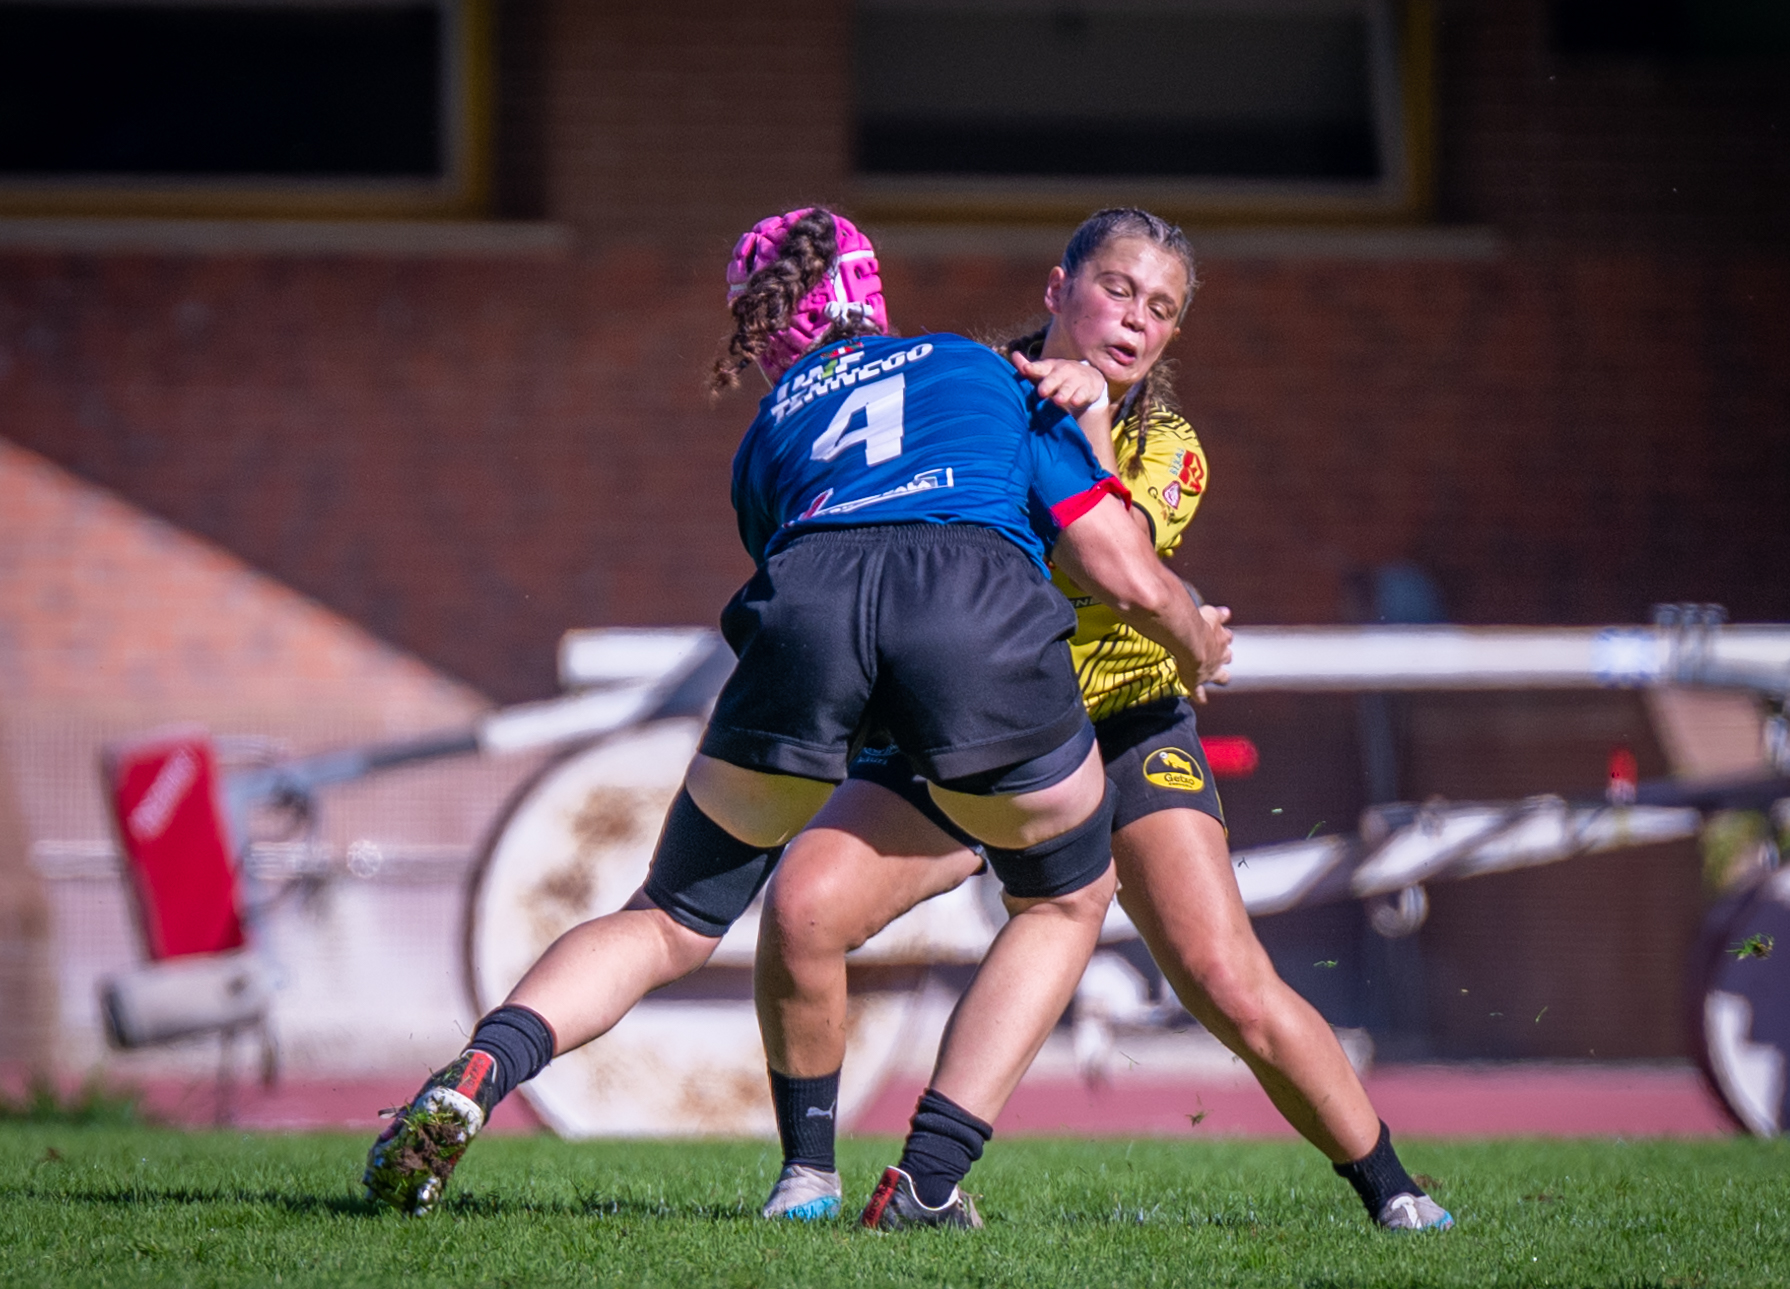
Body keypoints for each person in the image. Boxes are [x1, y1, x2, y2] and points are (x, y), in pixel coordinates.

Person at [360, 206, 1232, 1219]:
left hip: (806, 617)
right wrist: (1193, 636)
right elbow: (1117, 562)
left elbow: (799, 560)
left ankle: (485, 1071)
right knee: (1067, 893)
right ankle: (927, 1178)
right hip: (968, 613)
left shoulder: (773, 425)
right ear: (873, 292)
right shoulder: (978, 368)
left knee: (668, 916)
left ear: (765, 326)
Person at [753, 208, 1453, 1232]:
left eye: (1161, 309)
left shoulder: (1169, 446)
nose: (1135, 319)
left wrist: (1085, 426)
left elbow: (1115, 560)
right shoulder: (966, 389)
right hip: (967, 723)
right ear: (1056, 288)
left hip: (1123, 723)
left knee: (1226, 976)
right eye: (1118, 288)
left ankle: (1394, 1188)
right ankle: (809, 1184)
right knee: (802, 907)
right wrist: (1188, 621)